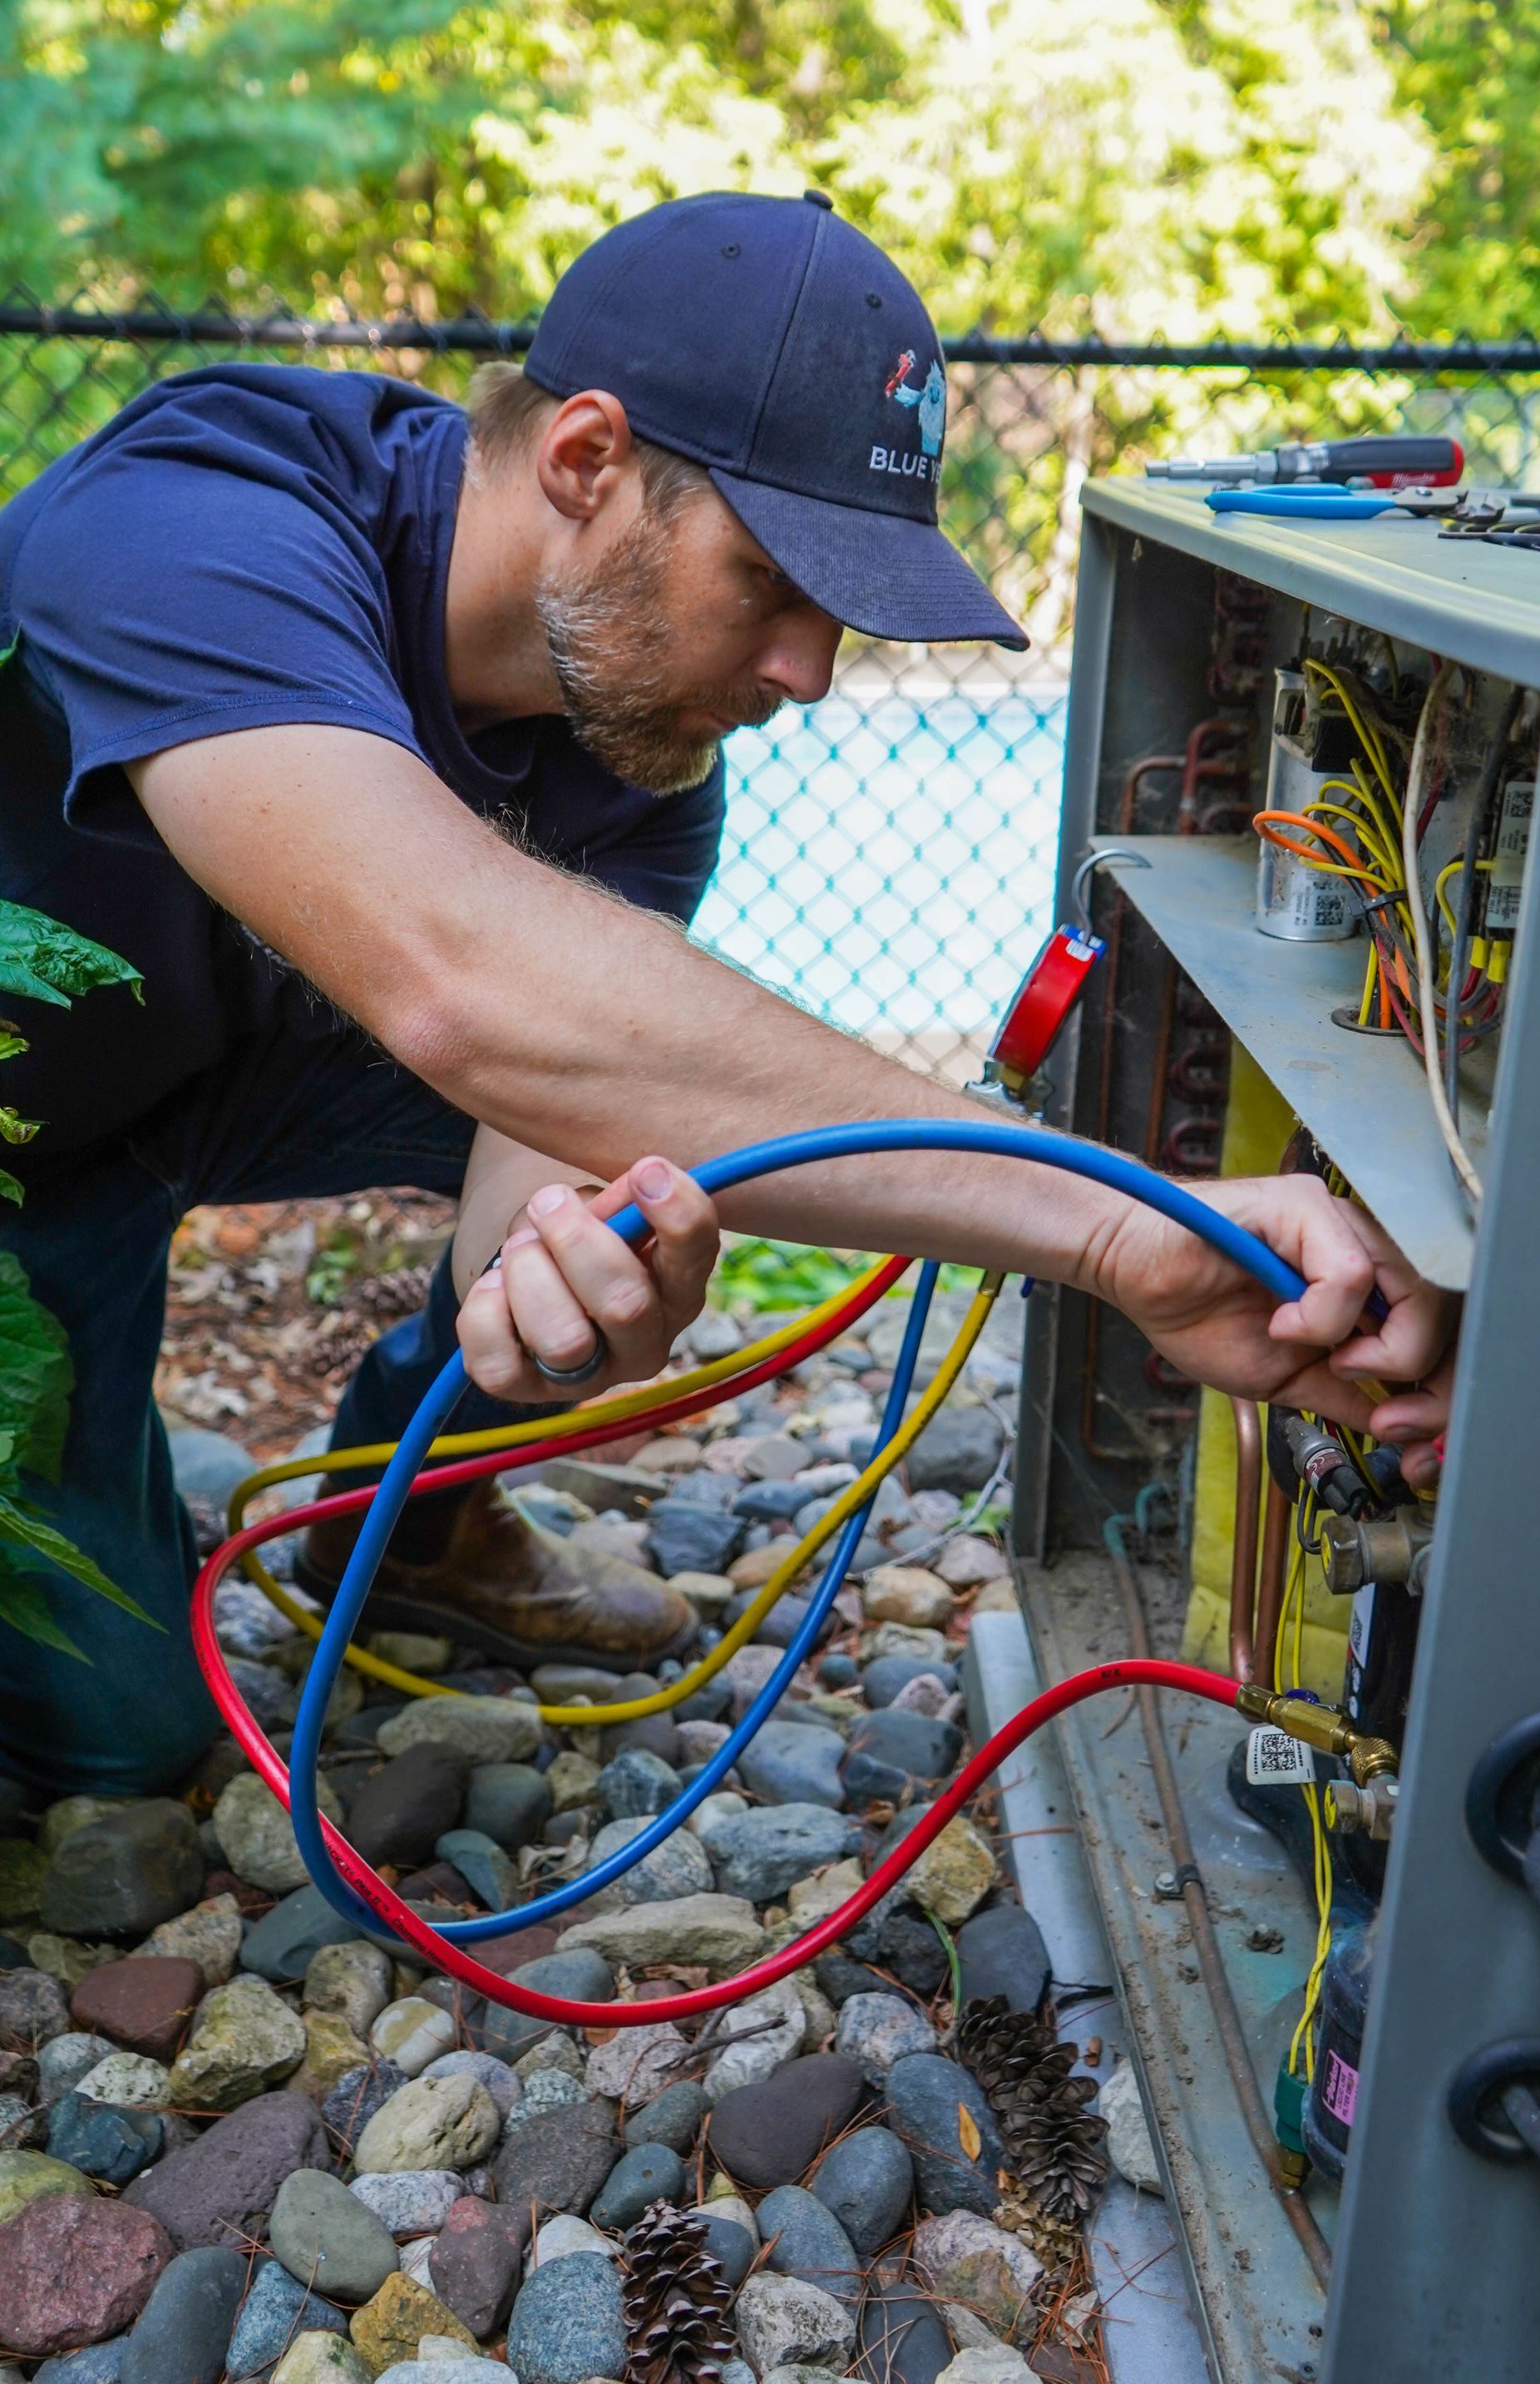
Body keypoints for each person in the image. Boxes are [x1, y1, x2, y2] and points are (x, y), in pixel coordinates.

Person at [0, 191, 1450, 1794]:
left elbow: (542, 1169)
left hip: (189, 1082)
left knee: (649, 1085)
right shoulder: (202, 516)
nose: (809, 672)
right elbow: (463, 983)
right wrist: (1108, 1221)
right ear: (585, 461)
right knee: (117, 1742)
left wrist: (558, 1331)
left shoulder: (640, 767)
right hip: (30, 1130)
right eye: (770, 581)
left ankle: (410, 1530)